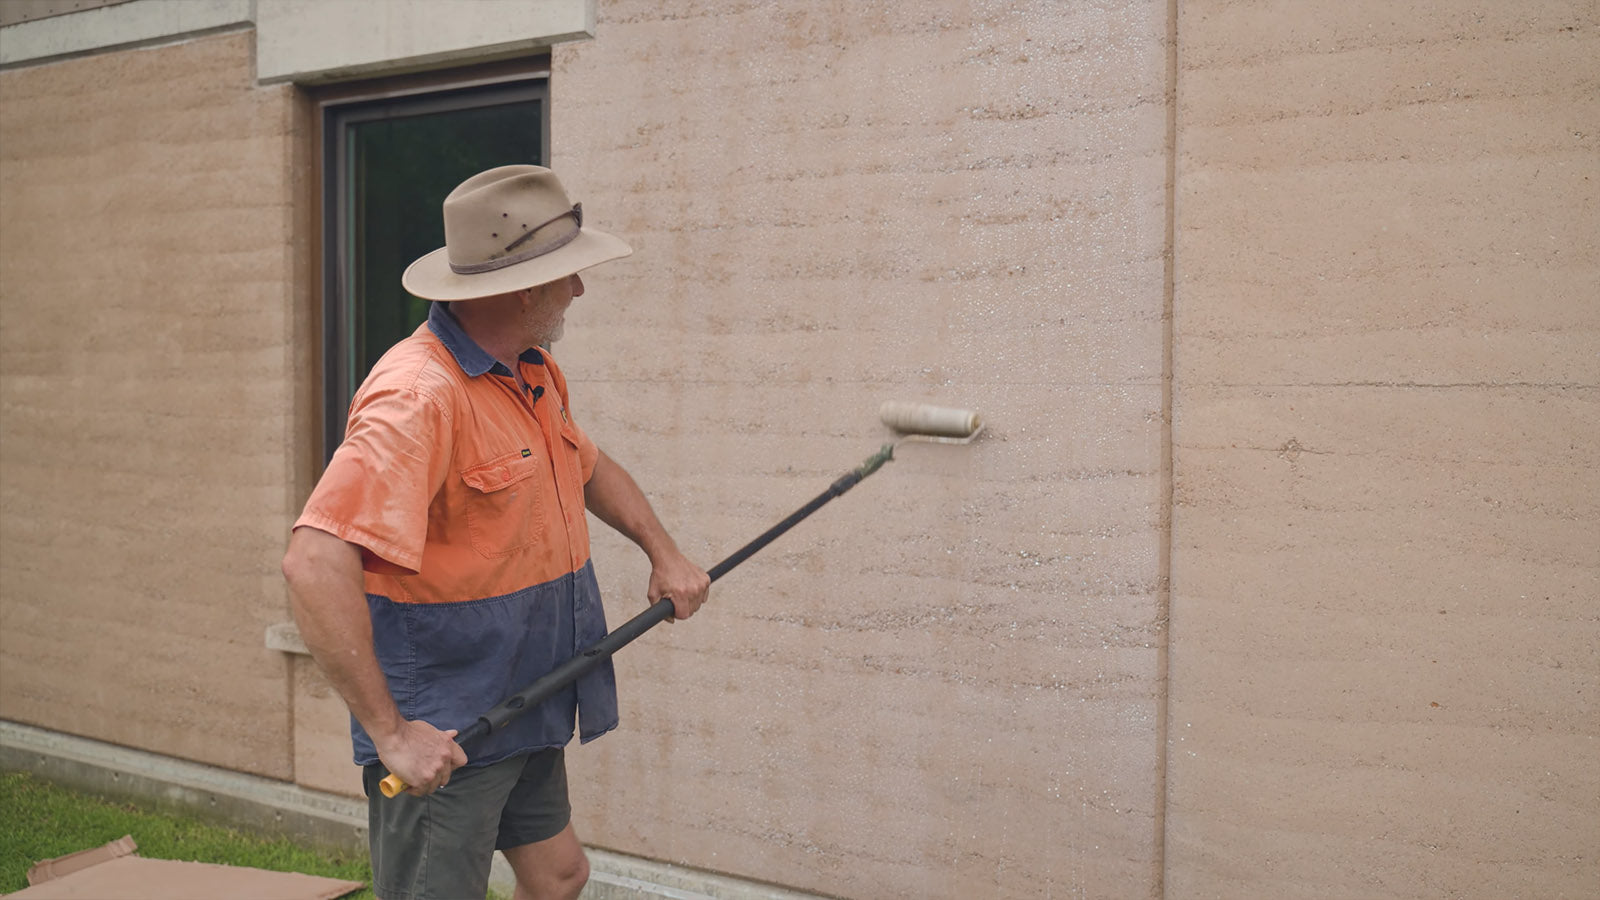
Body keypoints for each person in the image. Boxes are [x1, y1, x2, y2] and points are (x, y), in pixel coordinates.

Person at [281, 165, 710, 900]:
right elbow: (313, 561)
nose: (579, 290)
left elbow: (586, 467)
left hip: (529, 691)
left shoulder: (530, 370)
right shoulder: (419, 397)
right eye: (568, 275)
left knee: (561, 875)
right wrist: (392, 735)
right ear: (522, 288)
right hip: (449, 726)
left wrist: (663, 552)